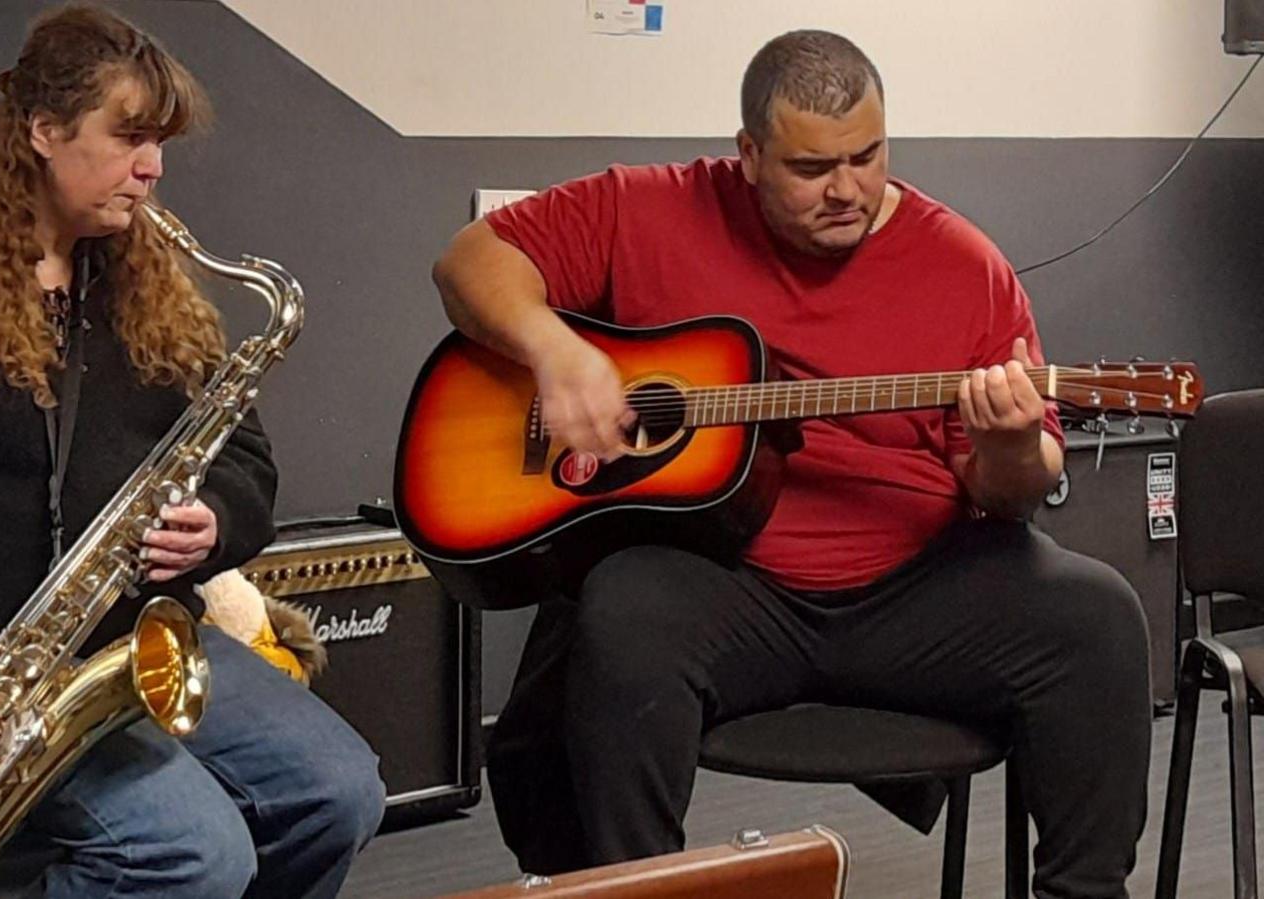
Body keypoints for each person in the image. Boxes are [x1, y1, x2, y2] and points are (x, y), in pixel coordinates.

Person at [431, 29, 1149, 899]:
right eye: (812, 168)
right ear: (748, 154)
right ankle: (632, 889)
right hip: (729, 580)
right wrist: (554, 352)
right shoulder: (650, 208)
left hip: (916, 588)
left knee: (1100, 617)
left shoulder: (965, 266)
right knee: (616, 617)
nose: (847, 189)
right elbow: (469, 261)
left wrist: (1006, 445)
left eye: (868, 157)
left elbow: (1011, 493)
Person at [0, 6, 385, 897]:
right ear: (44, 130)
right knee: (193, 856)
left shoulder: (146, 277)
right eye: (130, 136)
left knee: (339, 793)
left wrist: (216, 524)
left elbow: (242, 456)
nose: (153, 167)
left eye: (160, 142)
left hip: (127, 643)